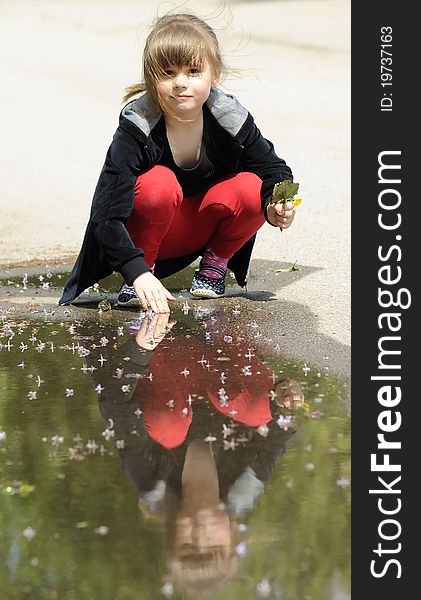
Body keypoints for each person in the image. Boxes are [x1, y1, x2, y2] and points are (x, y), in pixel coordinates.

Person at [59, 12, 296, 312]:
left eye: (193, 71)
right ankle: (141, 279)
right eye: (168, 73)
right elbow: (105, 216)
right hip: (147, 238)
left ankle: (213, 268)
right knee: (159, 183)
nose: (180, 83)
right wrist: (136, 271)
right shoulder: (137, 126)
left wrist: (276, 204)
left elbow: (274, 169)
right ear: (151, 78)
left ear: (215, 74)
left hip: (198, 229)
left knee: (254, 187)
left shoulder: (229, 117)